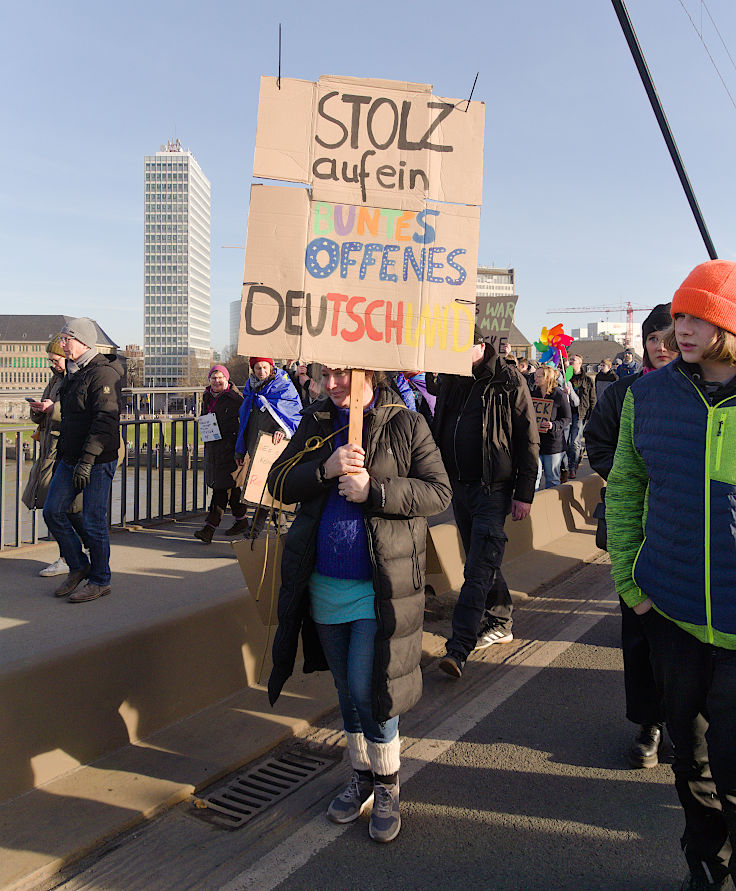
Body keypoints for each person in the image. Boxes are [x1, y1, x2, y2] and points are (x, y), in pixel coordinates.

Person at [265, 367, 451, 843]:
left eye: (337, 375)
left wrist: (376, 492)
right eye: (322, 376)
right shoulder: (316, 421)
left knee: (372, 689)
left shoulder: (405, 423)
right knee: (347, 692)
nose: (329, 386)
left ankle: (388, 783)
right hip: (324, 586)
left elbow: (438, 491)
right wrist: (325, 469)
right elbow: (279, 482)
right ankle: (361, 774)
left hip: (379, 587)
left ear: (368, 369)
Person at [606, 260, 736, 890]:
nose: (682, 329)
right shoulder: (646, 397)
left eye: (699, 317)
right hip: (673, 617)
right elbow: (626, 488)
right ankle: (703, 868)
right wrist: (631, 585)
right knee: (692, 765)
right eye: (680, 315)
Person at [585, 304, 677, 770]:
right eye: (652, 339)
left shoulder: (700, 391)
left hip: (684, 535)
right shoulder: (624, 393)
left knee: (684, 640)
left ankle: (685, 722)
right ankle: (649, 724)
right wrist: (629, 479)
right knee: (639, 635)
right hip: (635, 536)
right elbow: (597, 443)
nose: (660, 347)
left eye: (667, 337)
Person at [429, 329, 539, 676]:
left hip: (494, 489)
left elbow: (527, 437)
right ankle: (501, 619)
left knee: (476, 569)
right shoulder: (451, 379)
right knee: (482, 559)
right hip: (459, 487)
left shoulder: (508, 380)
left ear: (481, 346)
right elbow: (438, 422)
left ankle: (458, 647)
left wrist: (524, 493)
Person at [42, 318, 124, 602]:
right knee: (52, 511)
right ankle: (79, 566)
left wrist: (88, 459)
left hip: (98, 459)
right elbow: (69, 418)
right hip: (70, 456)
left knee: (93, 521)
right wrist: (66, 454)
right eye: (62, 339)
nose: (62, 344)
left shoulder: (102, 374)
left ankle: (101, 580)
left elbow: (104, 420)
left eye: (67, 339)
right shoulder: (73, 372)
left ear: (83, 341)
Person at [23, 335, 89, 576]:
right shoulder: (55, 380)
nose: (52, 364)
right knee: (61, 507)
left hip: (65, 450)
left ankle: (70, 556)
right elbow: (45, 412)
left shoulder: (76, 377)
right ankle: (79, 551)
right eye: (50, 360)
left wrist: (53, 408)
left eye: (55, 360)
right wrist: (38, 410)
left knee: (63, 507)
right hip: (51, 448)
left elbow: (81, 409)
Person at [234, 357, 302, 537]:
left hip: (275, 445)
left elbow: (294, 412)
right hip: (254, 444)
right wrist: (240, 450)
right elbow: (245, 421)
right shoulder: (250, 387)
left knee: (268, 488)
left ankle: (256, 532)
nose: (261, 371)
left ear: (271, 367)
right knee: (263, 488)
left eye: (264, 367)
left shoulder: (284, 385)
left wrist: (283, 429)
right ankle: (281, 532)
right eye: (258, 368)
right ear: (253, 369)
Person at [193, 365, 247, 543]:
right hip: (214, 448)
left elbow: (242, 423)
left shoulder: (235, 399)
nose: (217, 381)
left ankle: (209, 528)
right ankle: (242, 521)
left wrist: (239, 447)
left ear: (227, 379)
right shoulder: (207, 396)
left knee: (220, 488)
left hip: (230, 449)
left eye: (220, 378)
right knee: (230, 489)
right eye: (213, 378)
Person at [530, 364, 571, 488]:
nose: (535, 378)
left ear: (547, 378)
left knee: (552, 478)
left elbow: (567, 418)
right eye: (535, 376)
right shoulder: (533, 393)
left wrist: (553, 425)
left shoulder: (559, 395)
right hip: (536, 441)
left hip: (553, 443)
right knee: (534, 476)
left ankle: (552, 505)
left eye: (539, 376)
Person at [565, 354, 595, 479]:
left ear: (580, 363)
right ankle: (566, 466)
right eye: (570, 359)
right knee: (566, 442)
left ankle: (572, 467)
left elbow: (592, 398)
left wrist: (592, 416)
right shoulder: (566, 376)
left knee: (575, 442)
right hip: (566, 412)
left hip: (580, 413)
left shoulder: (587, 380)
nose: (571, 361)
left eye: (574, 360)